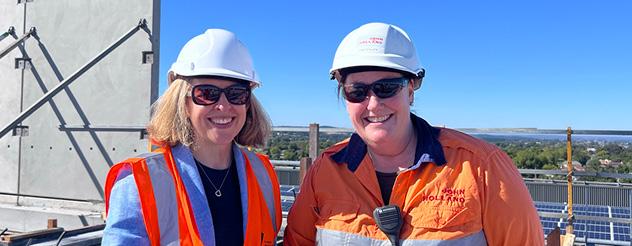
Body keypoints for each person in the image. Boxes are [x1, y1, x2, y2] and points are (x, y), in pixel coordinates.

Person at [284, 22, 543, 245]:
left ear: (410, 90)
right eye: (357, 91)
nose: (373, 103)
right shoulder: (325, 171)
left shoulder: (482, 168)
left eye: (386, 87)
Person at [102, 29, 281, 245]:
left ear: (247, 102)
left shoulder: (263, 174)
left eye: (236, 93)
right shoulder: (141, 182)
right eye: (206, 93)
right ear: (183, 102)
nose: (223, 105)